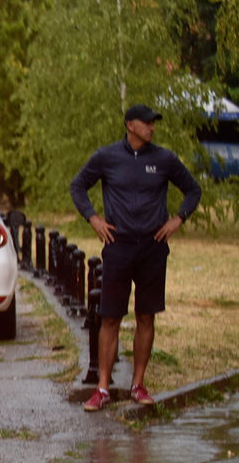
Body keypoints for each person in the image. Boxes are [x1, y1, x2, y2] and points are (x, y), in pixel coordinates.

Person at [70, 103, 201, 411]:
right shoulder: (107, 157)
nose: (152, 127)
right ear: (130, 125)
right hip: (119, 245)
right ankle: (102, 387)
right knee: (111, 316)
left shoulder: (164, 159)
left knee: (146, 315)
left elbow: (193, 190)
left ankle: (138, 384)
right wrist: (93, 219)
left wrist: (177, 219)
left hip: (153, 247)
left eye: (153, 123)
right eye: (147, 122)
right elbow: (78, 186)